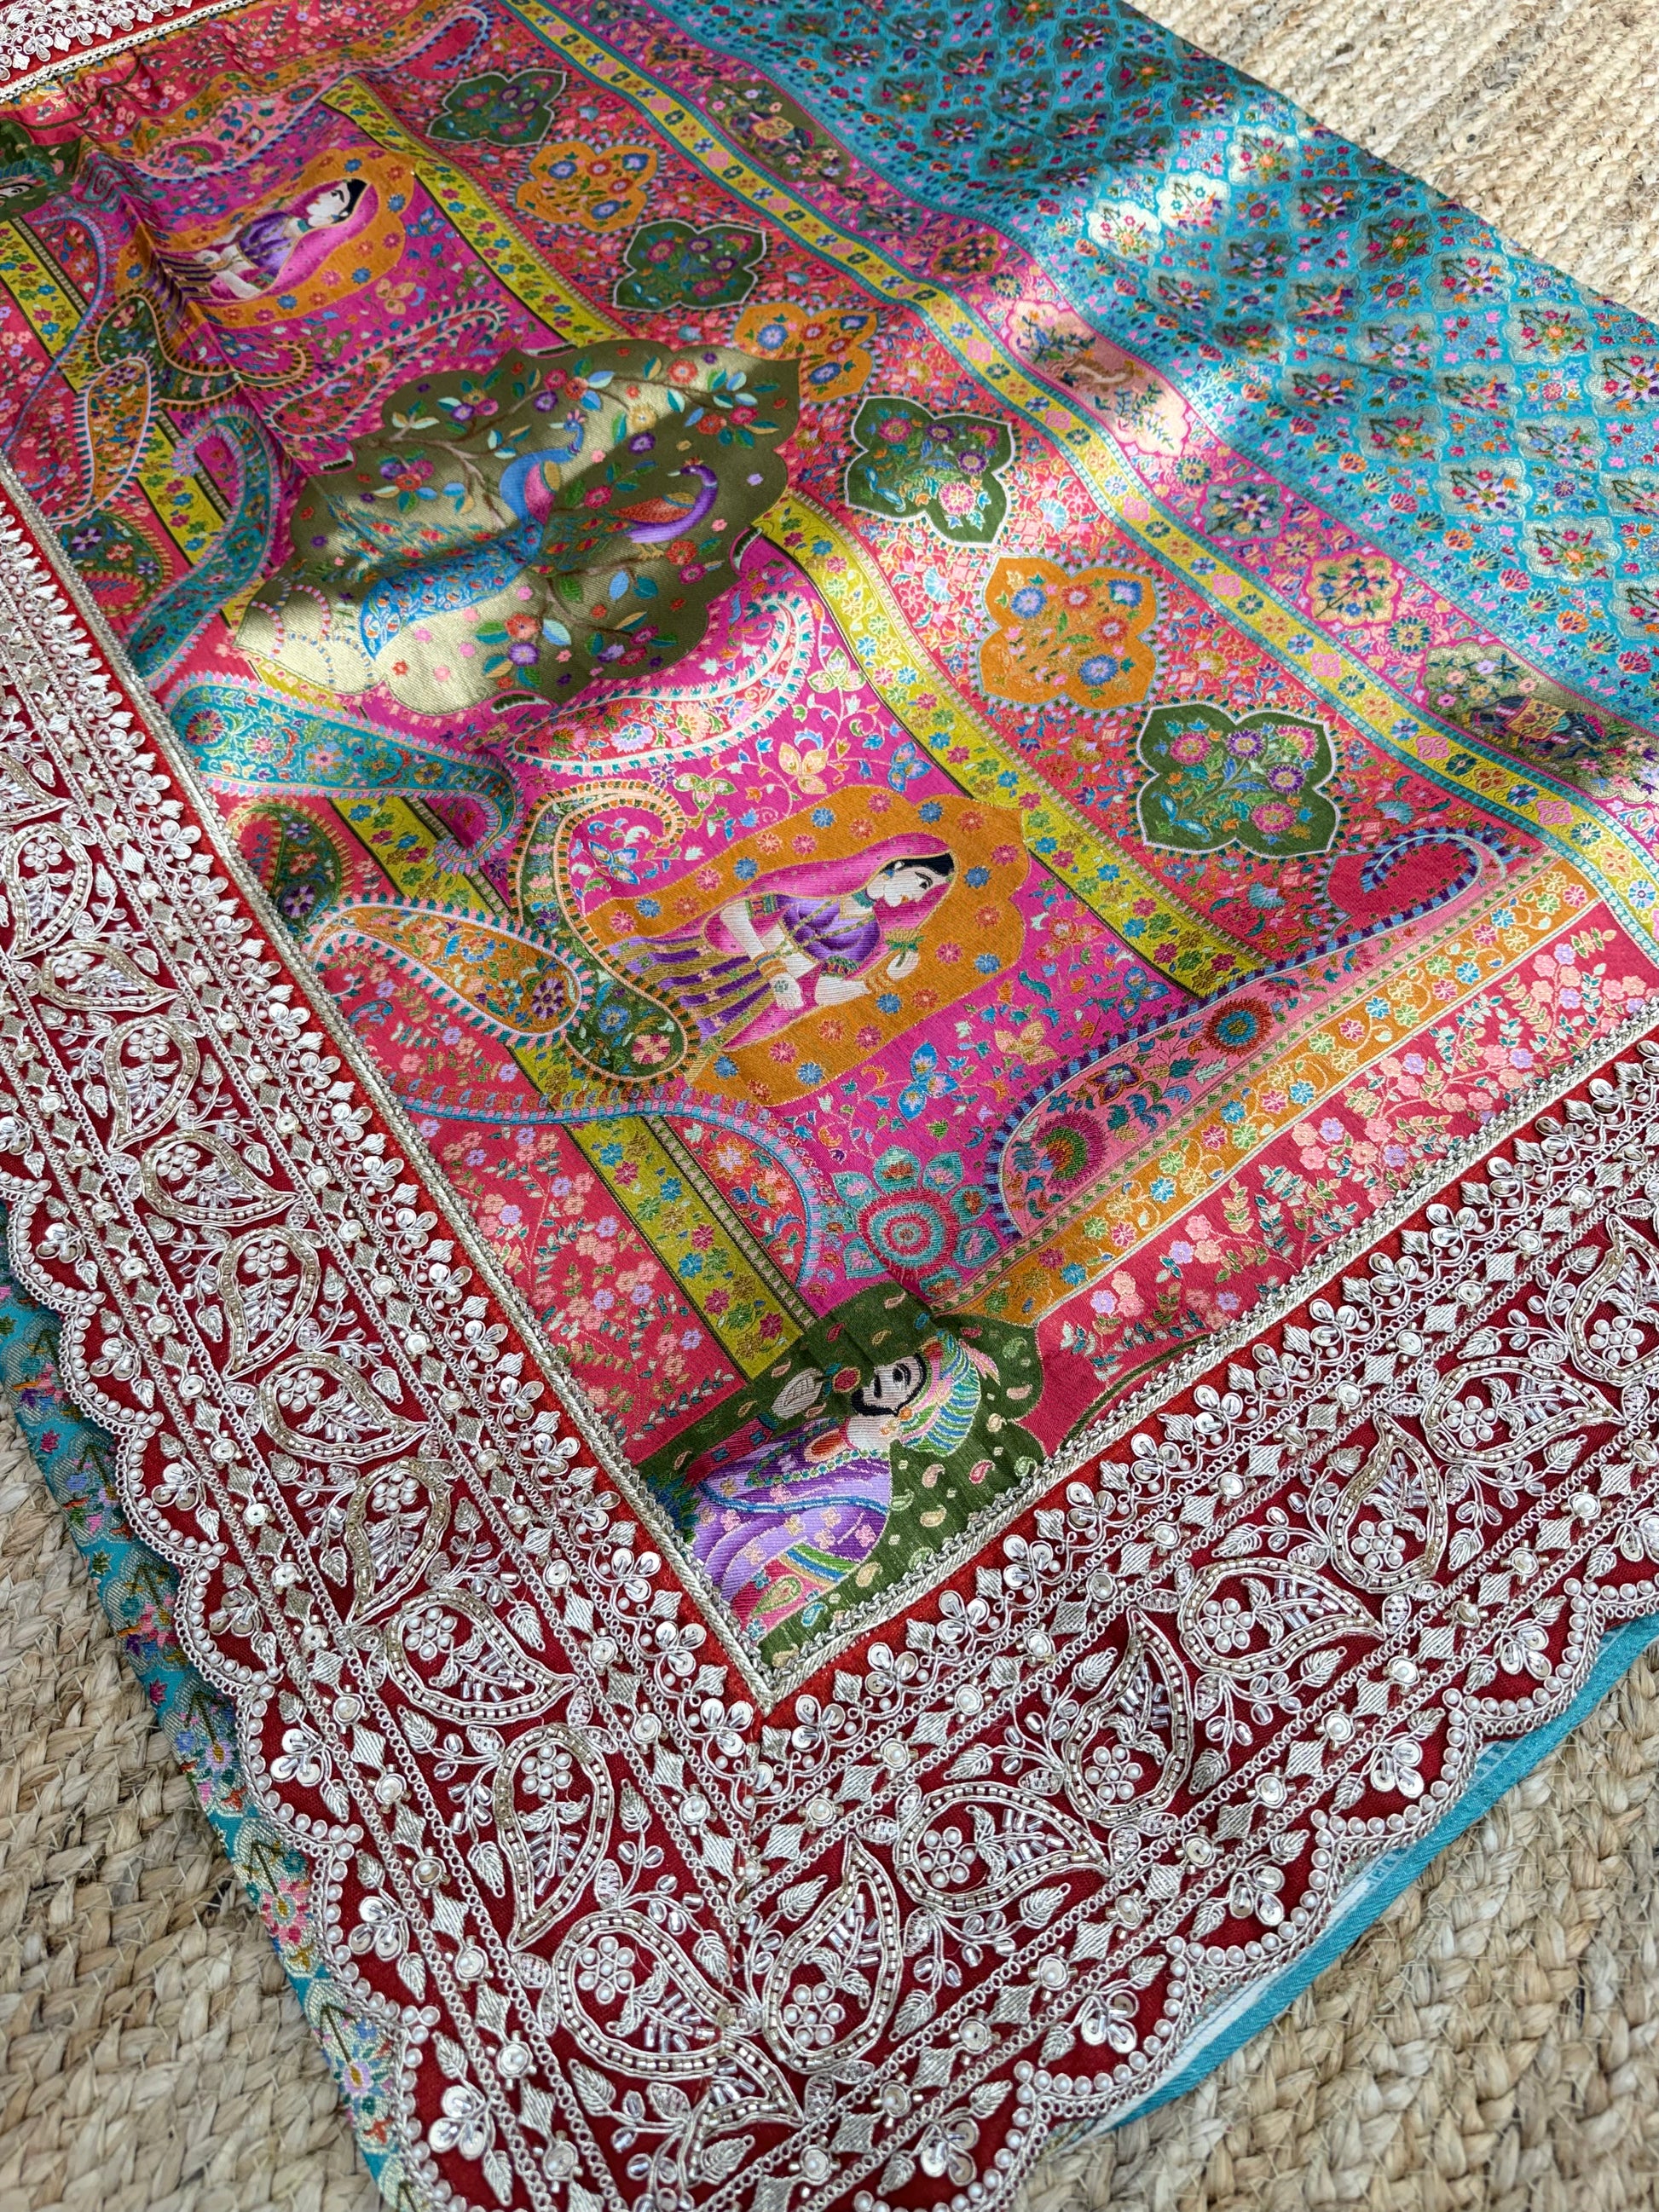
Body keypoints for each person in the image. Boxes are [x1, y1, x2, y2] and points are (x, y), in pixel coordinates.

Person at [688, 1331, 996, 1637]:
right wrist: (773, 1417)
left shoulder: (862, 1510)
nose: (880, 1369)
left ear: (911, 1414)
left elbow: (750, 1614)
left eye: (898, 1377)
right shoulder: (828, 1425)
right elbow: (718, 1471)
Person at [619, 840, 957, 1052]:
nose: (919, 897)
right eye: (922, 882)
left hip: (746, 998)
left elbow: (824, 990)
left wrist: (880, 981)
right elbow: (734, 914)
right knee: (631, 986)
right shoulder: (820, 887)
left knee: (663, 1045)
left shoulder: (867, 935)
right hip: (713, 962)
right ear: (898, 865)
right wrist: (773, 969)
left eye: (927, 892)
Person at [187, 176, 372, 302]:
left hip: (219, 282)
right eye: (328, 190)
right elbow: (232, 231)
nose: (321, 195)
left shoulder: (301, 252)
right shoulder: (280, 216)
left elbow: (249, 292)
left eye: (335, 195)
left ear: (342, 214)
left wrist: (219, 269)